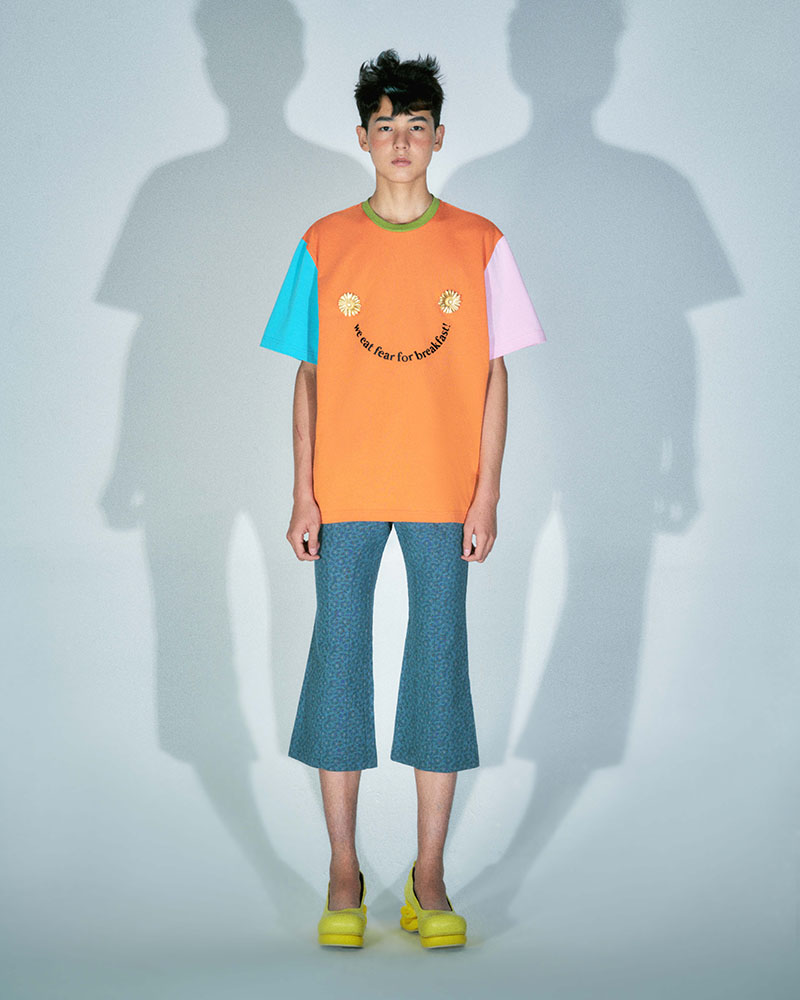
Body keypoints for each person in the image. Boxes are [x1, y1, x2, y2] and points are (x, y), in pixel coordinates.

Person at [260, 49, 545, 949]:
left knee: (439, 663)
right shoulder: (324, 242)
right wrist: (303, 492)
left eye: (415, 126)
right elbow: (308, 376)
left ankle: (429, 876)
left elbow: (495, 376)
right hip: (344, 487)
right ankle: (343, 873)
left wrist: (486, 493)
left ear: (438, 137)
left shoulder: (480, 241)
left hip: (440, 489)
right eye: (385, 125)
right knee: (339, 660)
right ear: (363, 137)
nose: (400, 141)